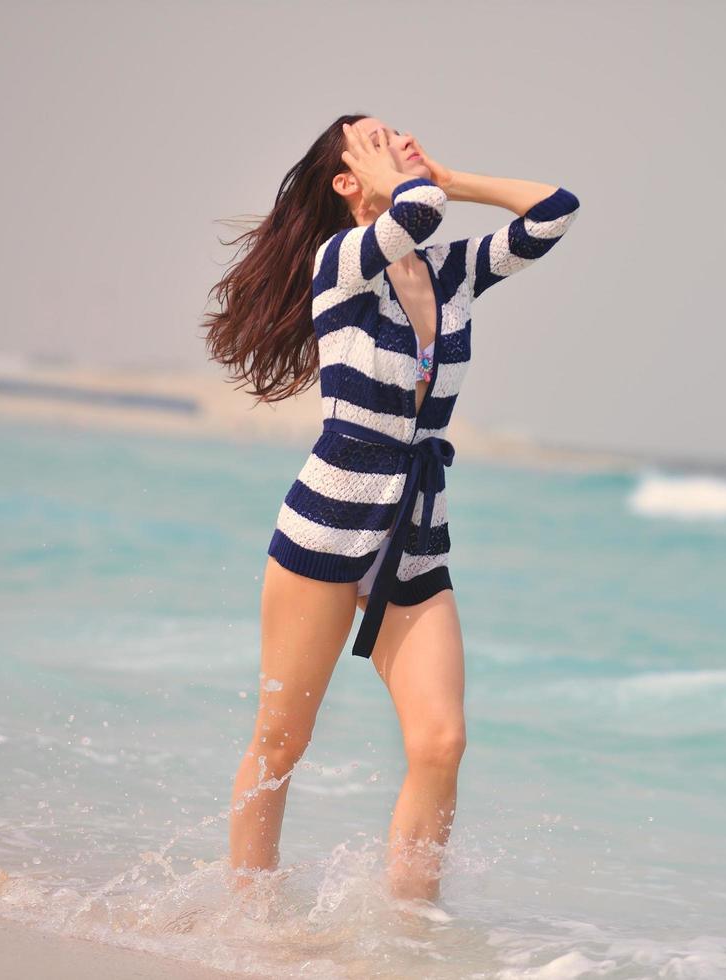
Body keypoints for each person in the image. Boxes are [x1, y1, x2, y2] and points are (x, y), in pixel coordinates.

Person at [201, 114, 580, 905]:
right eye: (377, 140)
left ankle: (411, 936)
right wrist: (415, 193)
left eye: (401, 132)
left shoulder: (450, 271)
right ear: (347, 183)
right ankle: (249, 915)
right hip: (330, 518)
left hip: (415, 531)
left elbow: (554, 210)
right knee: (280, 741)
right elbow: (412, 216)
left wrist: (451, 176)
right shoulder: (340, 261)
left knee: (442, 741)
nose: (401, 140)